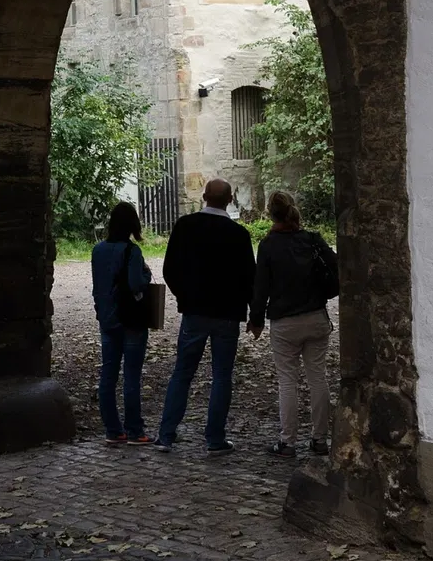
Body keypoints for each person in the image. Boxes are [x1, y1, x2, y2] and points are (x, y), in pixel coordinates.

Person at [153, 178, 255, 454]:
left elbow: (170, 269)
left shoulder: (186, 227)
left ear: (204, 196)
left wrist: (185, 296)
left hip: (195, 311)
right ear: (230, 199)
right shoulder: (239, 234)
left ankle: (166, 434)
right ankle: (214, 438)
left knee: (183, 373)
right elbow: (249, 279)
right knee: (222, 375)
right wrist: (254, 313)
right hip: (227, 314)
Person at [248, 191, 340, 458]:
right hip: (315, 317)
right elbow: (336, 266)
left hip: (284, 322)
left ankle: (287, 441)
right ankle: (320, 439)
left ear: (270, 213)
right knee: (318, 378)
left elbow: (260, 287)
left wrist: (256, 320)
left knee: (287, 381)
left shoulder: (268, 246)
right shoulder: (312, 240)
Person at [90, 202, 153, 445]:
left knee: (108, 375)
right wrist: (147, 274)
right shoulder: (132, 252)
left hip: (107, 318)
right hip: (131, 320)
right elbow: (137, 284)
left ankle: (113, 430)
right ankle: (135, 430)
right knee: (131, 376)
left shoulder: (98, 250)